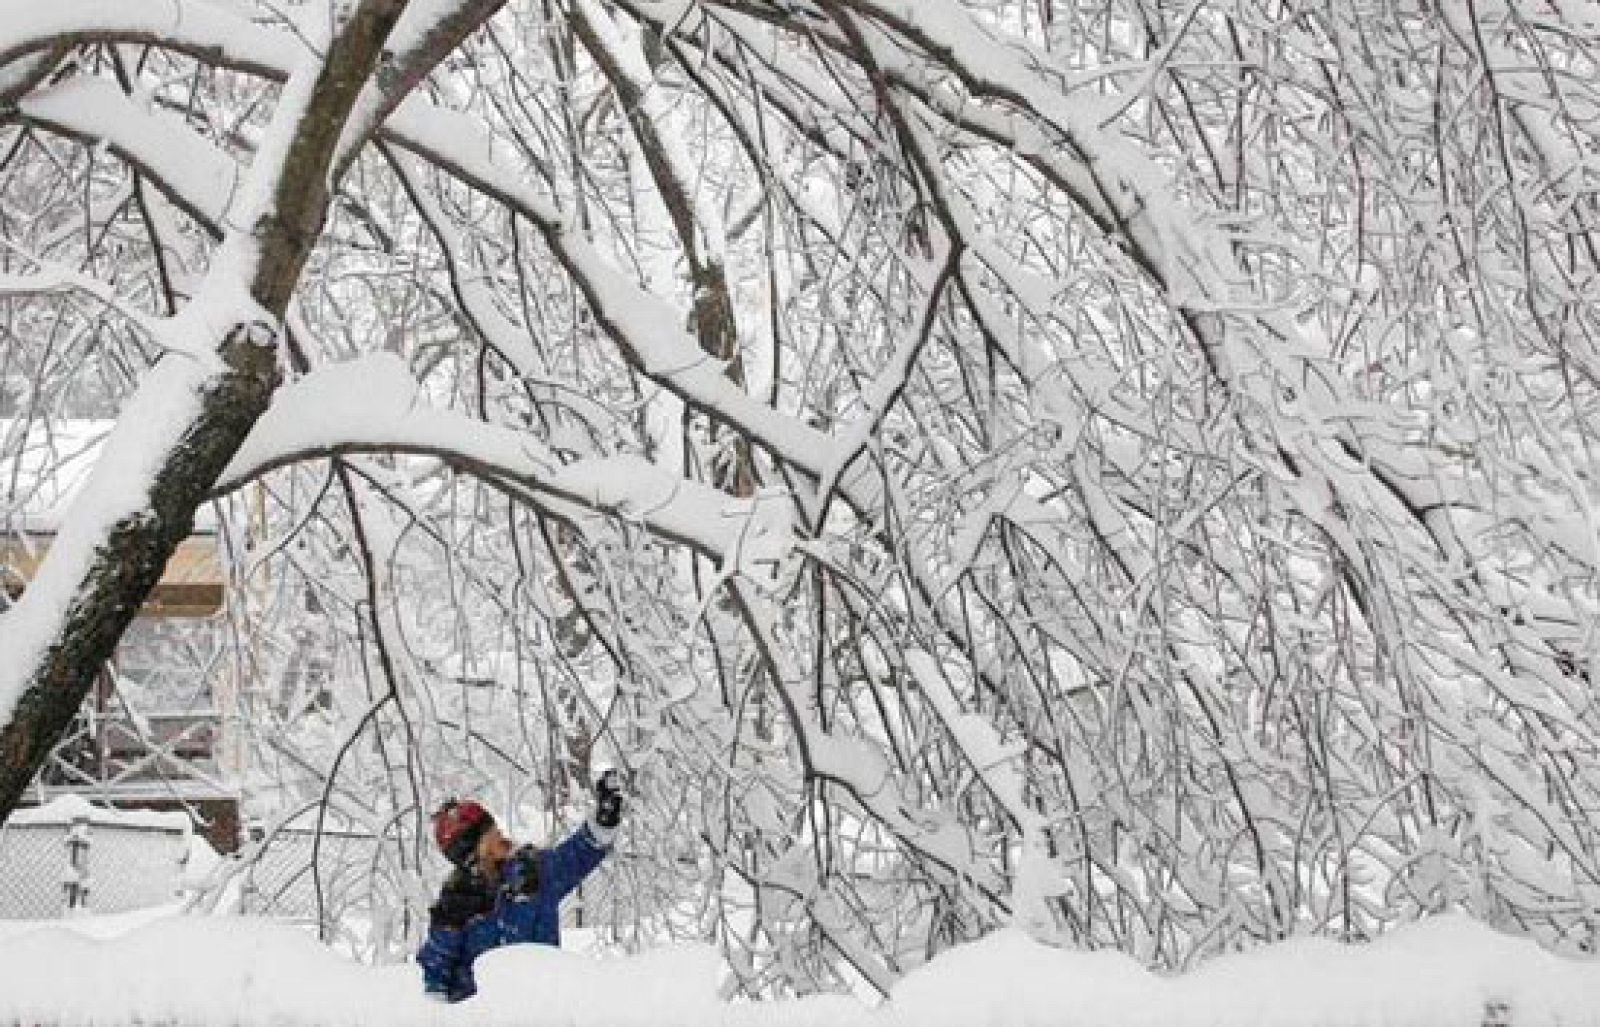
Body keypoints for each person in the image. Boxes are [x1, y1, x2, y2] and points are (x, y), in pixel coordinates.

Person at [417, 770, 626, 1002]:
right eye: (491, 835)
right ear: (474, 853)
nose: (501, 836)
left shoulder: (532, 873)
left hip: (543, 1005)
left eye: (496, 829)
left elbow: (578, 855)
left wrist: (604, 821)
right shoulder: (455, 906)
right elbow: (436, 975)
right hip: (484, 1015)